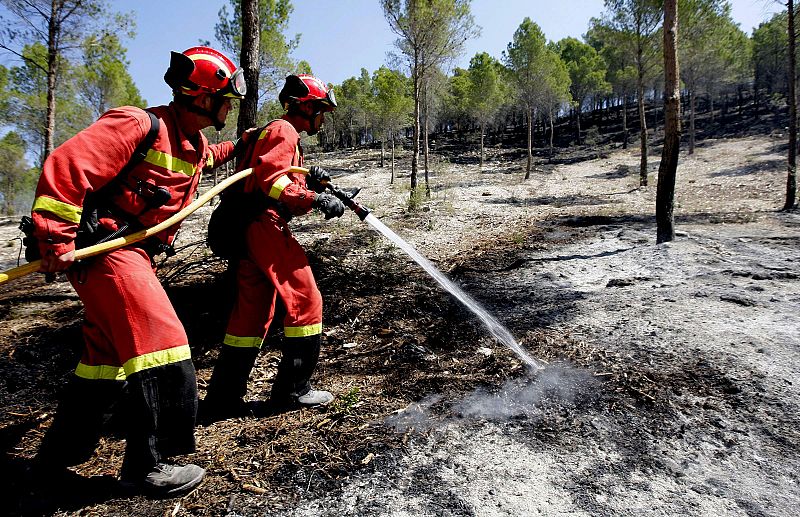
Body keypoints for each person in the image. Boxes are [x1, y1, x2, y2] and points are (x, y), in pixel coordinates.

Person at [29, 46, 248, 498]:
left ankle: (60, 453)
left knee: (102, 359)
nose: (230, 107)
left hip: (134, 253)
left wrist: (248, 142)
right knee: (162, 346)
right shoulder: (138, 123)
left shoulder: (194, 143)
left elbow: (206, 160)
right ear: (203, 95)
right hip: (108, 249)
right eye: (226, 97)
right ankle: (148, 466)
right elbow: (69, 165)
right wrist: (55, 239)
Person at [201, 74, 345, 420]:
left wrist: (310, 181)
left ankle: (223, 396)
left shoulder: (273, 132)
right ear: (307, 108)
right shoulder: (284, 130)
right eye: (321, 111)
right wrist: (313, 198)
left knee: (253, 313)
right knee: (305, 297)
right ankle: (293, 389)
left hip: (244, 226)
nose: (322, 120)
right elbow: (272, 180)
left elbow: (276, 172)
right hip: (262, 223)